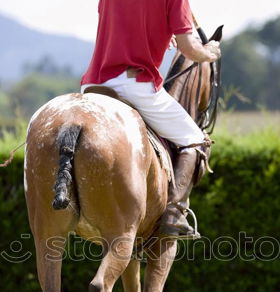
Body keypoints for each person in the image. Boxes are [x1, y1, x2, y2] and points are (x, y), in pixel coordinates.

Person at [81, 0, 221, 239]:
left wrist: (163, 32)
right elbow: (189, 49)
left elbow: (124, 27)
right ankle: (175, 213)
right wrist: (208, 52)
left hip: (92, 85)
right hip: (134, 85)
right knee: (196, 140)